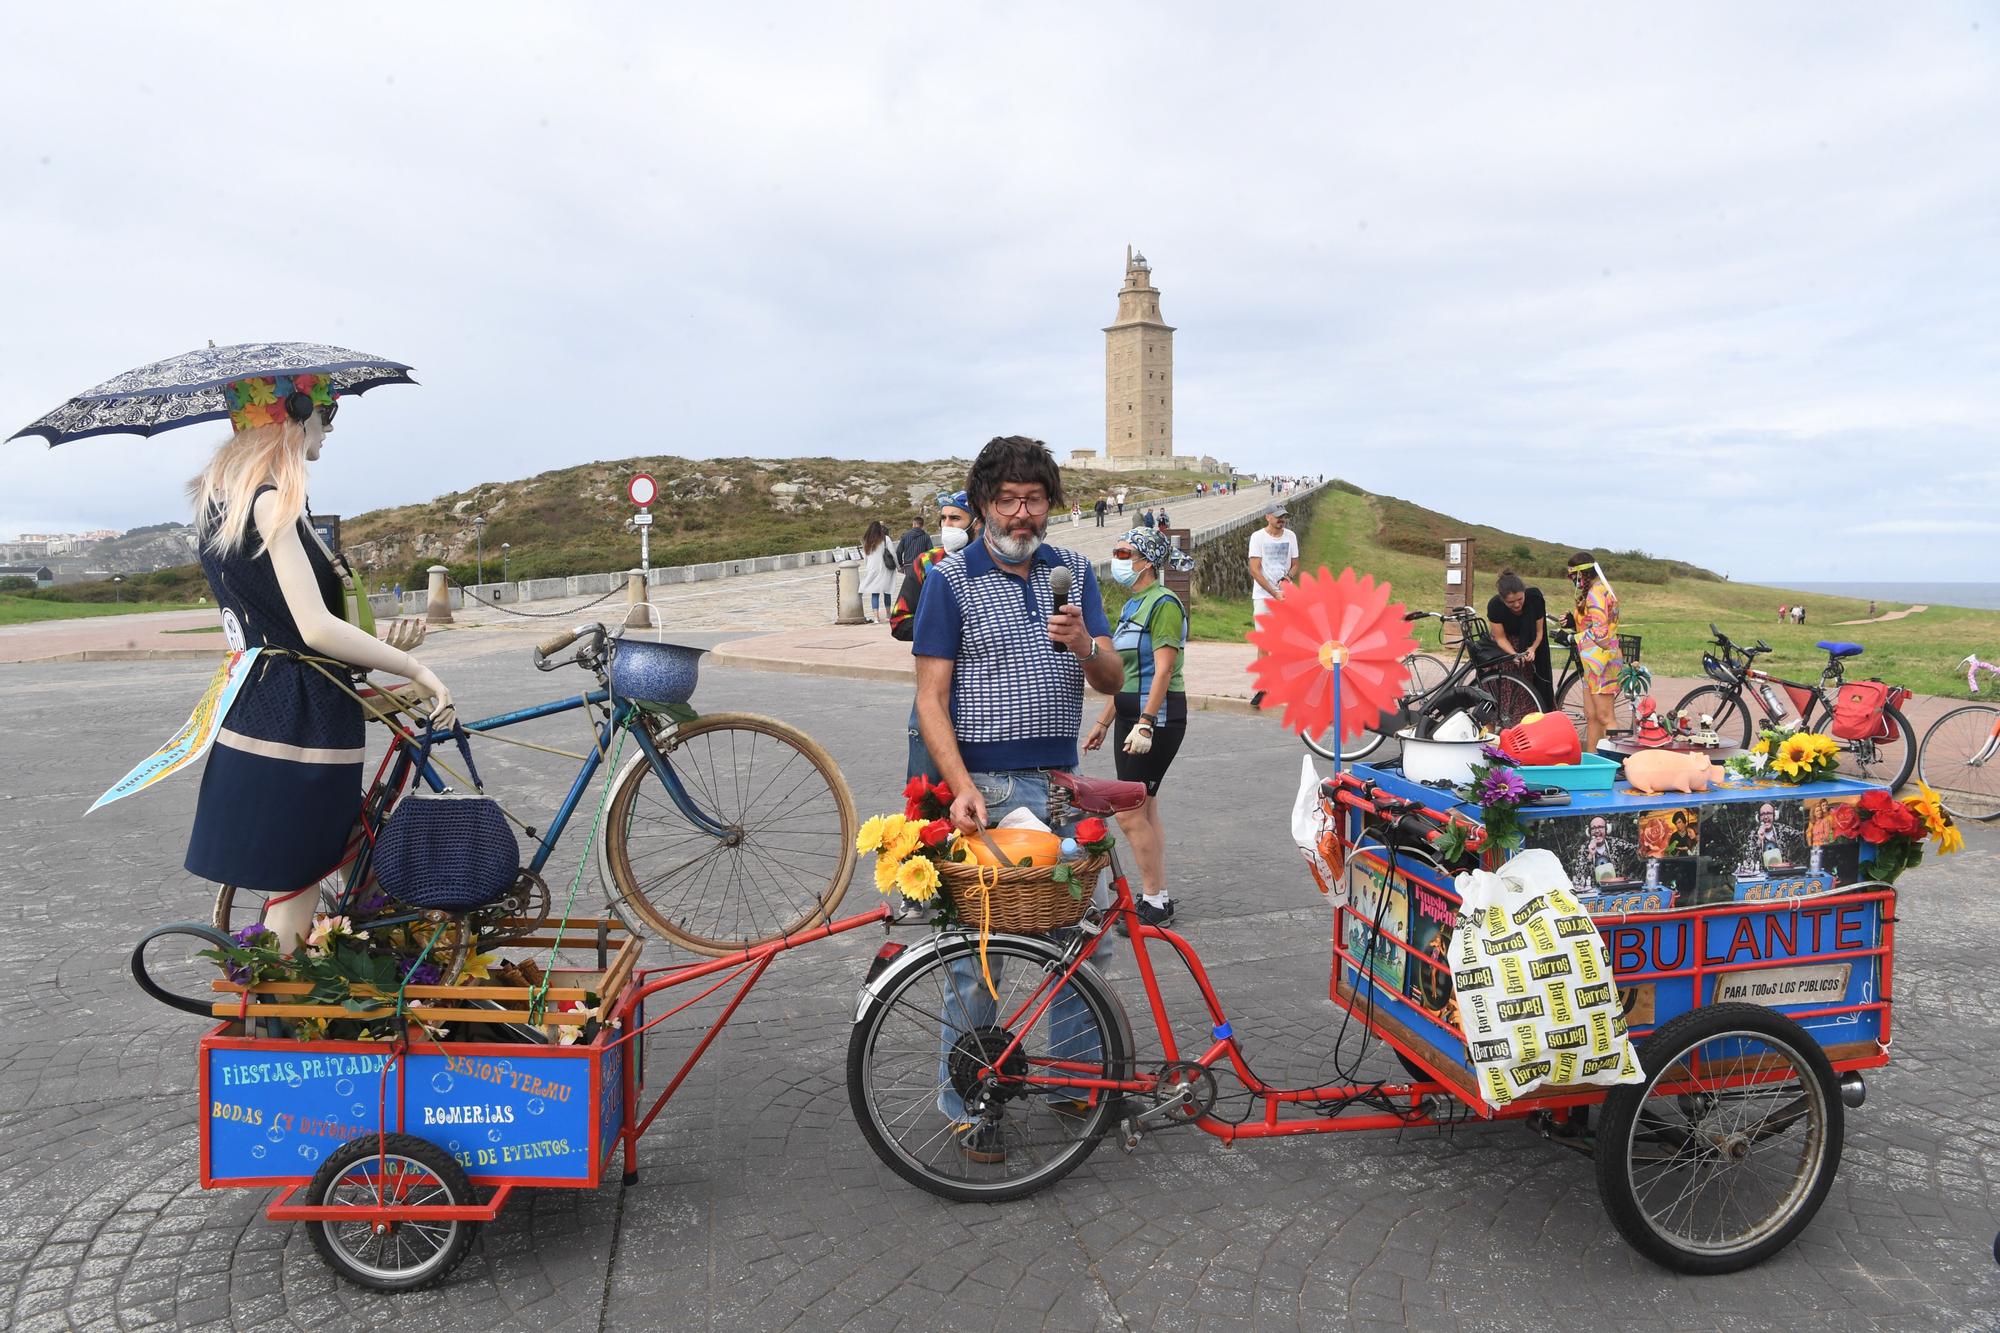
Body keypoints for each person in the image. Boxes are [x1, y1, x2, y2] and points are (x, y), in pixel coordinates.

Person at [184, 374, 453, 954]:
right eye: (325, 415)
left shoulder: (221, 505)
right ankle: (273, 1021)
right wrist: (413, 669)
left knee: (312, 864)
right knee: (300, 884)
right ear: (294, 414)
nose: (328, 430)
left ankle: (303, 996)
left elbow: (281, 620)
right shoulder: (273, 499)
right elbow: (314, 628)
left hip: (259, 701)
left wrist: (378, 645)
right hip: (302, 715)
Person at [912, 435, 1122, 1162]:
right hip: (990, 790)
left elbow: (1112, 679)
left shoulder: (1078, 572)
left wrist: (1082, 645)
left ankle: (1068, 1081)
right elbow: (931, 699)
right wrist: (962, 786)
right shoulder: (950, 580)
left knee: (1075, 945)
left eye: (1034, 498)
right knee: (979, 957)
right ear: (982, 505)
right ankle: (970, 1101)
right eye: (1007, 499)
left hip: (1063, 788)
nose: (1022, 513)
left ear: (1050, 504)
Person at [1083, 527, 1193, 932]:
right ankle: (1157, 894)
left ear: (1146, 559)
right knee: (1143, 805)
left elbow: (1163, 668)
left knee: (1128, 812)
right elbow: (1124, 673)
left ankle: (1152, 900)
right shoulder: (1133, 605)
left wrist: (1146, 722)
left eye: (1124, 551)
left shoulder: (1163, 603)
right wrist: (1103, 721)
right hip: (1130, 717)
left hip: (1157, 719)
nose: (1118, 558)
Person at [891, 489, 977, 781]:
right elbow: (899, 621)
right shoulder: (927, 563)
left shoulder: (991, 565)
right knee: (925, 788)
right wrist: (946, 628)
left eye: (955, 518)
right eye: (943, 518)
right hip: (935, 685)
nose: (947, 526)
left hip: (984, 692)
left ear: (976, 522)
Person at [1568, 550, 1625, 752]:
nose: (1573, 581)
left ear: (1583, 574)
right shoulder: (1599, 589)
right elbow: (1593, 622)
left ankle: (1613, 762)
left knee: (1605, 716)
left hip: (1603, 659)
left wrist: (1571, 637)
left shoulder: (1596, 593)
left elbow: (1600, 631)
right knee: (1591, 714)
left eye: (1573, 576)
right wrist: (1572, 621)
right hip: (1593, 660)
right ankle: (1592, 759)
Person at [1486, 570, 1552, 706]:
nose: (1516, 605)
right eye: (1510, 602)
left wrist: (1532, 649)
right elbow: (1500, 638)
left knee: (1525, 687)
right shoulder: (1495, 606)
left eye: (1520, 599)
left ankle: (1525, 720)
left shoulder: (1535, 599)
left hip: (1528, 642)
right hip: (1504, 646)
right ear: (1502, 599)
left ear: (1524, 592)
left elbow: (1540, 633)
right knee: (1503, 688)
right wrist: (1514, 654)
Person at [858, 519, 899, 623]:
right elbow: (893, 553)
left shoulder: (867, 541)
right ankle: (888, 614)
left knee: (874, 592)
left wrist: (868, 567)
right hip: (885, 568)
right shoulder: (885, 539)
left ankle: (876, 617)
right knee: (887, 591)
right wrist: (898, 566)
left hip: (873, 568)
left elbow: (866, 557)